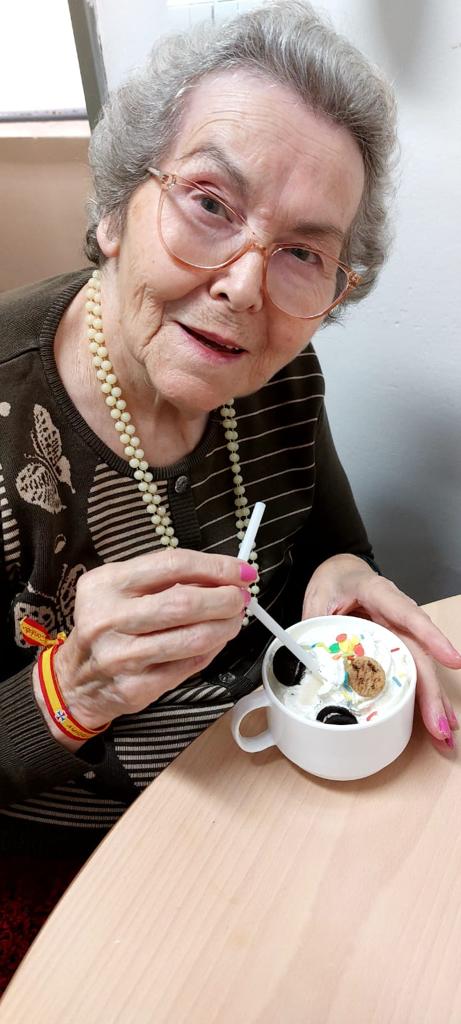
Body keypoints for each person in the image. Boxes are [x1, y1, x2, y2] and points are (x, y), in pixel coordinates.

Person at [0, 0, 460, 974]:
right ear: (116, 204)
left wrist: (337, 574)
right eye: (209, 201)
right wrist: (71, 685)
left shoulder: (280, 375)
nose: (246, 286)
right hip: (76, 857)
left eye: (302, 251)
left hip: (262, 771)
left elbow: (329, 558)